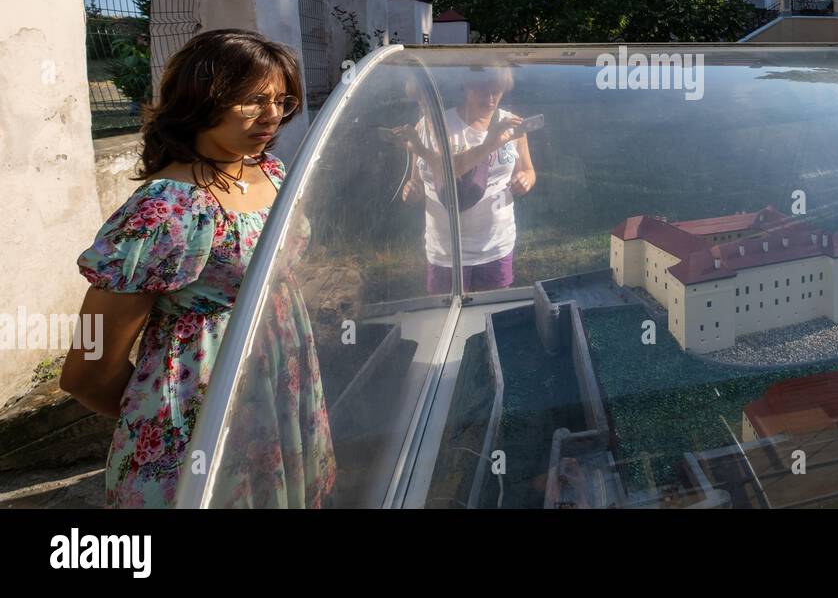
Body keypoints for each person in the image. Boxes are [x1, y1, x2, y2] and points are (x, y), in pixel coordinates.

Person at [60, 29, 336, 508]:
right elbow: (89, 370)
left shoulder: (269, 170)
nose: (273, 115)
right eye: (253, 100)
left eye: (281, 100)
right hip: (204, 414)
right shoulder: (169, 209)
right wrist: (173, 423)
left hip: (279, 388)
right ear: (201, 98)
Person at [399, 66, 536, 293]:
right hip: (446, 251)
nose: (491, 98)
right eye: (483, 90)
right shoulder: (433, 126)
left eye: (497, 91)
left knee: (493, 319)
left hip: (496, 246)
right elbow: (425, 179)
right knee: (447, 319)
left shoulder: (512, 124)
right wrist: (412, 190)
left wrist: (526, 180)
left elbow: (529, 170)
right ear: (465, 86)